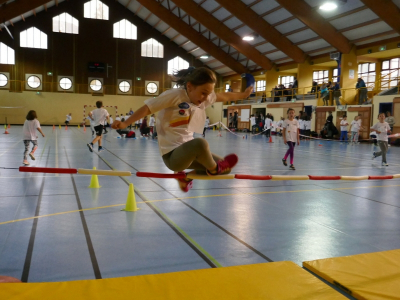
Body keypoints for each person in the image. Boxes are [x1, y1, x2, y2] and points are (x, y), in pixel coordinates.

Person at [112, 67, 252, 192]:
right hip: (172, 156)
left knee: (225, 170)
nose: (206, 98)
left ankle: (184, 178)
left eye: (208, 94)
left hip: (188, 153)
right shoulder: (175, 96)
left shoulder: (203, 98)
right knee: (201, 144)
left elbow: (224, 96)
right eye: (203, 93)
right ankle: (214, 169)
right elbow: (147, 108)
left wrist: (243, 95)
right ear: (190, 87)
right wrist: (126, 123)